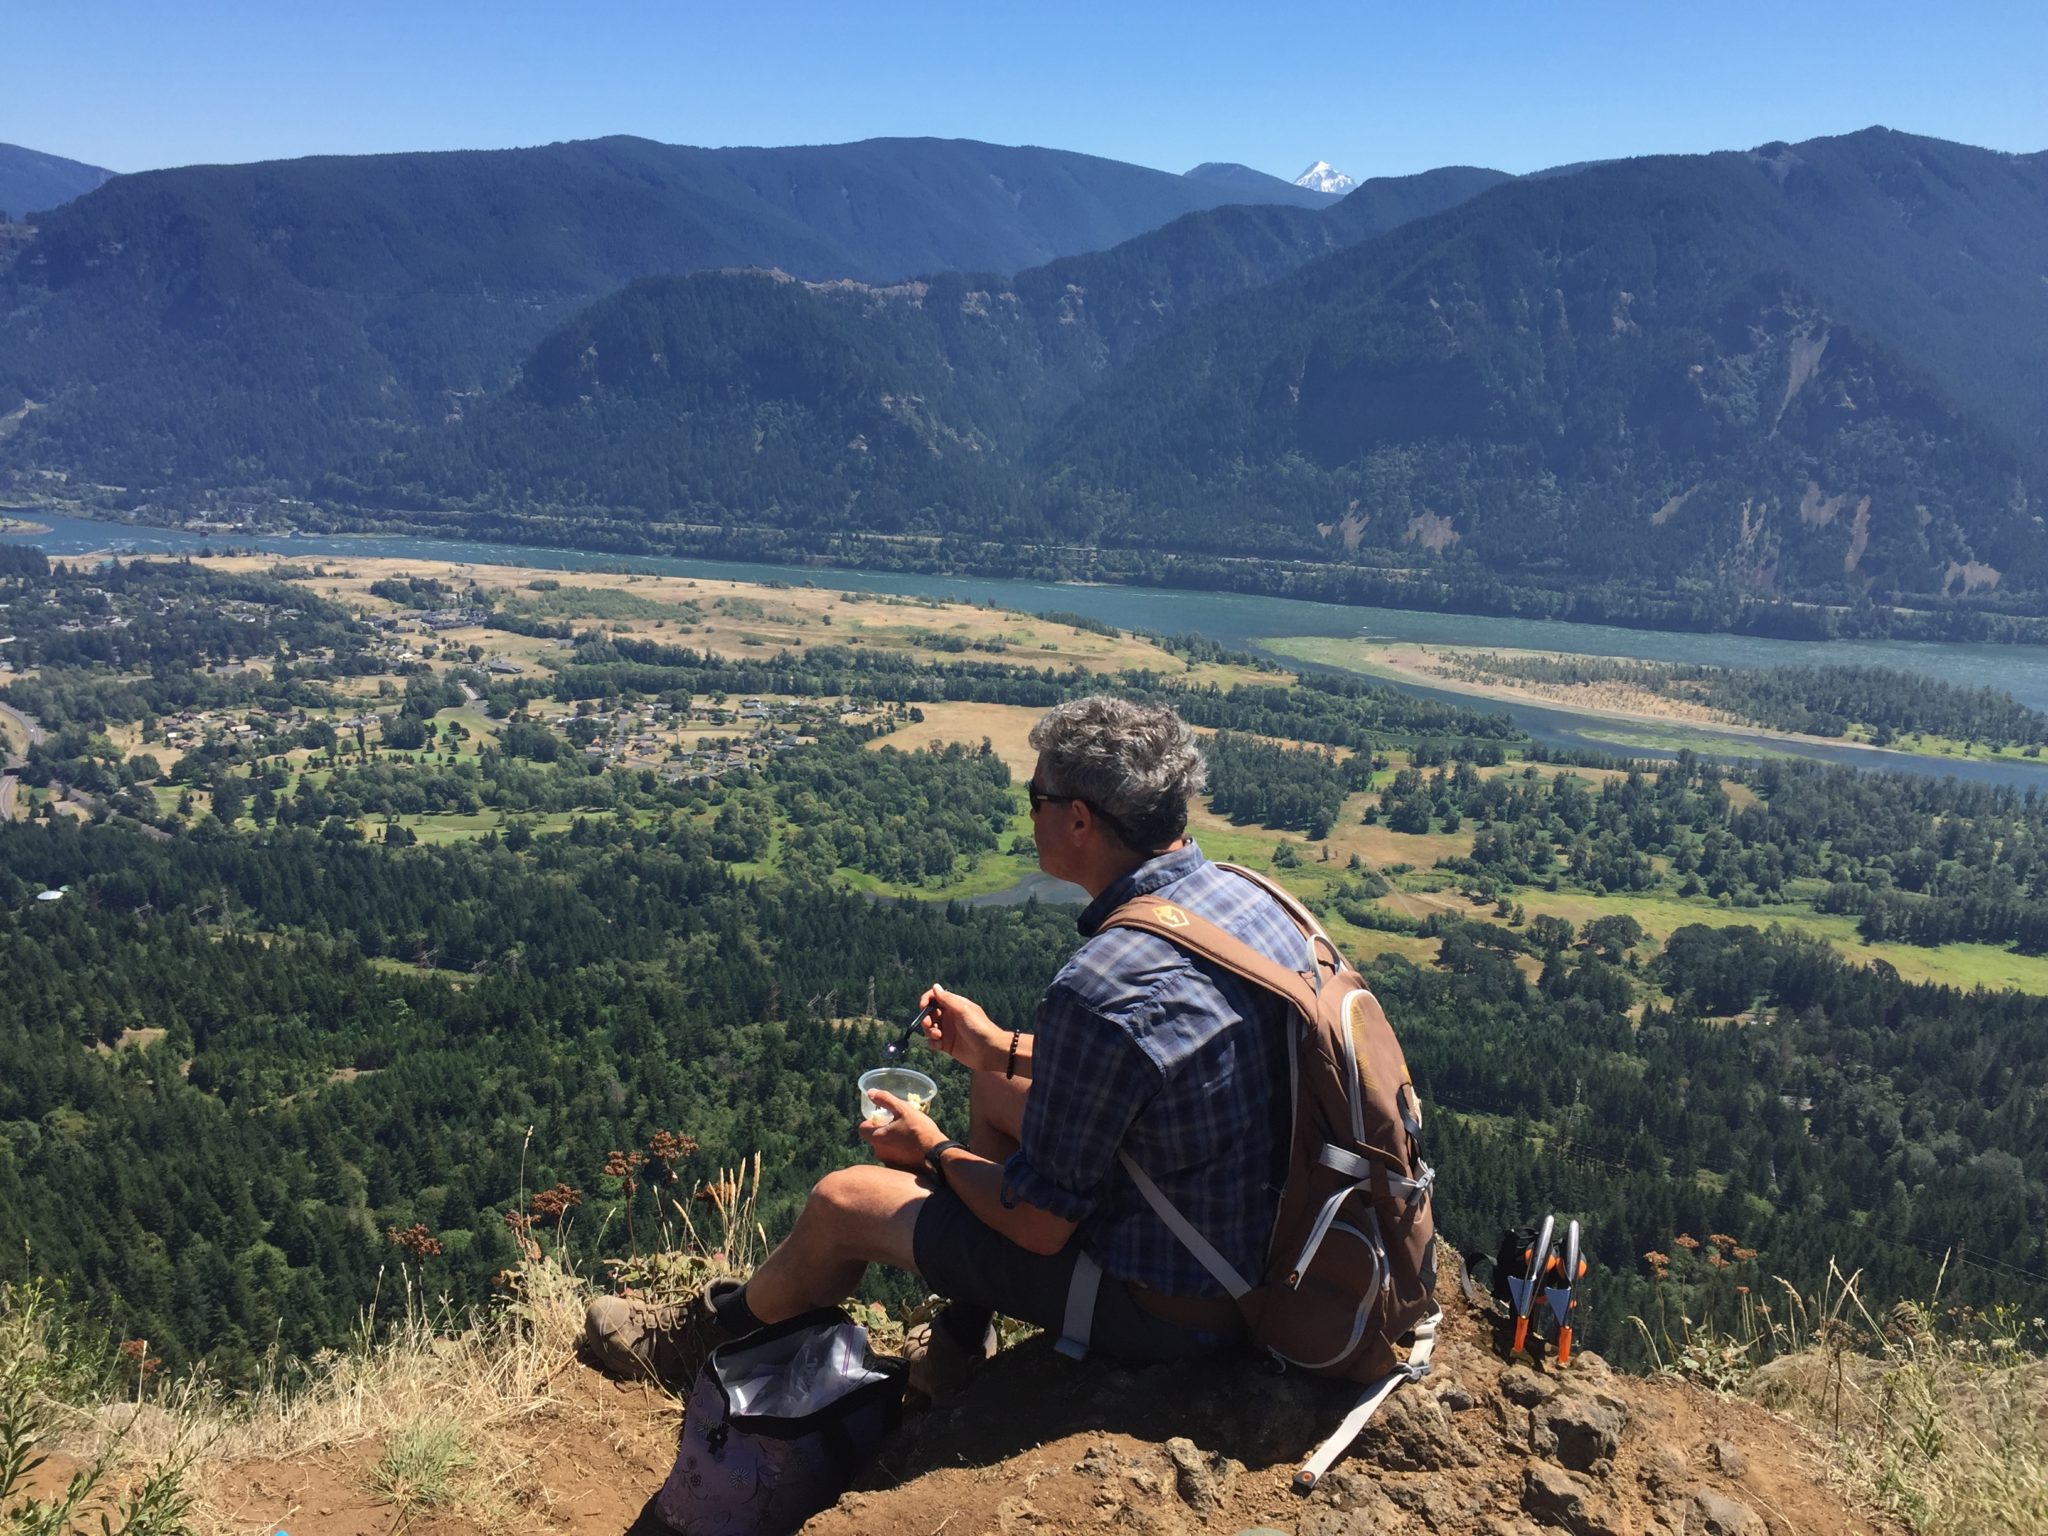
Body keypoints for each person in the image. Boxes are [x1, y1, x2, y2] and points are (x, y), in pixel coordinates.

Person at [584, 695, 1309, 1397]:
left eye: (1037, 797)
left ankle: (690, 1342)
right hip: (1258, 1247)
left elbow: (1039, 1222)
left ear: (1080, 820)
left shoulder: (1107, 982)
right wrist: (999, 1048)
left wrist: (930, 1149)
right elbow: (1158, 1066)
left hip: (1173, 1307)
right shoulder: (1251, 897)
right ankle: (964, 1338)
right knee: (992, 1081)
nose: (1029, 813)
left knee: (845, 1200)